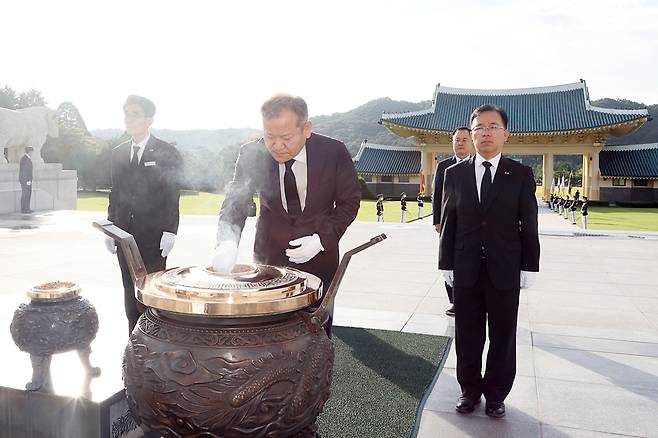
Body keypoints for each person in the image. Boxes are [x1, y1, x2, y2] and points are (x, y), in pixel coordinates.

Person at [212, 94, 361, 335]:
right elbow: (237, 199)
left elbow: (349, 202)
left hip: (318, 255)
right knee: (269, 329)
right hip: (269, 255)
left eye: (286, 138)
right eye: (270, 136)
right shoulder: (252, 153)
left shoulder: (333, 152)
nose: (277, 146)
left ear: (307, 129)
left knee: (317, 328)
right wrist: (227, 241)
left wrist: (322, 239)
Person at [439, 104, 540, 419]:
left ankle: (496, 395)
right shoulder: (455, 173)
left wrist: (530, 265)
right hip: (465, 267)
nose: (485, 132)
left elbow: (529, 222)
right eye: (479, 127)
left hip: (505, 269)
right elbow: (448, 220)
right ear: (471, 133)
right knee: (467, 335)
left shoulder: (520, 174)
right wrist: (445, 263)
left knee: (502, 335)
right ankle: (469, 391)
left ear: (505, 134)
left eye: (493, 126)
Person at [105, 95, 182, 334]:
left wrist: (170, 231)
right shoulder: (118, 153)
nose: (129, 119)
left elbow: (172, 194)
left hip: (153, 236)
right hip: (124, 235)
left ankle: (154, 345)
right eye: (126, 114)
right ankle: (133, 344)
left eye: (135, 114)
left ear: (149, 119)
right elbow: (115, 193)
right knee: (129, 292)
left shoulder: (166, 152)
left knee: (151, 292)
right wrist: (110, 227)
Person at [433, 127, 473, 317]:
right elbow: (437, 194)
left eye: (464, 140)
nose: (460, 143)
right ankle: (454, 302)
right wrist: (437, 220)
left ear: (472, 142)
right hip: (448, 223)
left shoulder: (478, 165)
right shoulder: (444, 166)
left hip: (472, 224)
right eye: (457, 140)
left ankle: (474, 300)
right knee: (448, 261)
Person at [19, 146, 34, 214]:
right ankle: (24, 209)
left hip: (28, 181)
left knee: (28, 194)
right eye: (32, 152)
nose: (32, 153)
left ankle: (27, 208)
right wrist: (27, 180)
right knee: (25, 194)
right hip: (25, 181)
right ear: (29, 151)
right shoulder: (24, 159)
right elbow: (24, 171)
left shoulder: (27, 158)